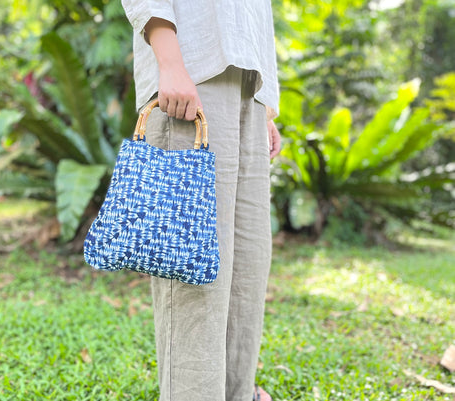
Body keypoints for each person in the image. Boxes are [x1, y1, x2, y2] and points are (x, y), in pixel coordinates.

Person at [121, 2, 281, 400]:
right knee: (194, 273)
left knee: (247, 263)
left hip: (249, 87)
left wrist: (264, 106)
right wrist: (170, 61)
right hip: (193, 73)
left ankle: (237, 393)